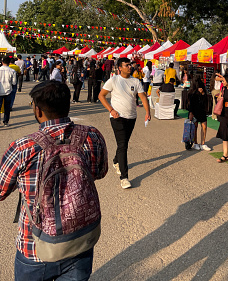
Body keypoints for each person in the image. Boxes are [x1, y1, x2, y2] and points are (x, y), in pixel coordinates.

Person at [0, 80, 108, 280]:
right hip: (79, 242)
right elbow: (100, 172)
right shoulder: (92, 136)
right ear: (67, 104)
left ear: (38, 111)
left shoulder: (23, 147)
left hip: (34, 247)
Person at [99, 57, 151, 189]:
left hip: (131, 117)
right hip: (117, 117)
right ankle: (124, 177)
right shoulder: (114, 80)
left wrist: (147, 112)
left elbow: (143, 97)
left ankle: (116, 161)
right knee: (123, 145)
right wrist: (111, 110)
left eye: (130, 65)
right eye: (127, 65)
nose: (130, 67)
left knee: (124, 143)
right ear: (120, 68)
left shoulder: (136, 81)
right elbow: (101, 95)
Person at [187, 75, 211, 151]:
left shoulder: (202, 90)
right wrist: (191, 112)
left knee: (204, 126)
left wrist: (203, 93)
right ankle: (196, 143)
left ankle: (203, 143)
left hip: (202, 110)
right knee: (195, 127)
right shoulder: (192, 92)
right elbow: (190, 103)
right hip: (194, 111)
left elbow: (205, 100)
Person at [0, 56, 17, 126]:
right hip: (8, 91)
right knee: (7, 107)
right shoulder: (12, 71)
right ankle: (6, 121)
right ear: (9, 63)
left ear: (2, 62)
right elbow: (14, 82)